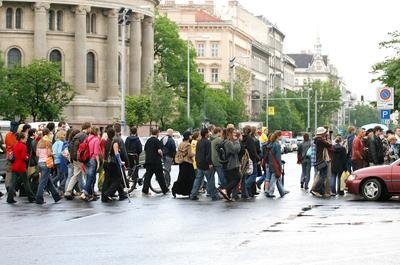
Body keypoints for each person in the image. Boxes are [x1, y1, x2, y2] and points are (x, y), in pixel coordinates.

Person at [190, 128, 220, 201]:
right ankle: (214, 195)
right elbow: (208, 154)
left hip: (199, 163)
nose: (209, 133)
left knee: (198, 180)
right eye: (208, 132)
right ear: (206, 134)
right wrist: (210, 163)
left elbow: (197, 153)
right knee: (210, 180)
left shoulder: (199, 142)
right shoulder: (208, 142)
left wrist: (197, 161)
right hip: (206, 164)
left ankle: (193, 194)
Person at [64, 122, 91, 200]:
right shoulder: (85, 136)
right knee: (87, 175)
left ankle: (68, 192)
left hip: (74, 159)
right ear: (87, 128)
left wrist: (73, 157)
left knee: (75, 175)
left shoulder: (76, 136)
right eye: (90, 128)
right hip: (80, 159)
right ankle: (86, 193)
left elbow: (70, 146)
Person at [102, 127, 128, 202]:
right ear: (114, 133)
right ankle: (108, 193)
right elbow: (117, 154)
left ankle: (121, 195)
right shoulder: (115, 141)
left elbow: (105, 152)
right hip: (113, 163)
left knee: (107, 180)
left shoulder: (106, 141)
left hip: (106, 162)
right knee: (118, 179)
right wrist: (121, 162)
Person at [35, 128, 61, 204]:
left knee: (48, 181)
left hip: (40, 162)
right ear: (48, 134)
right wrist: (53, 153)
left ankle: (56, 197)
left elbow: (37, 154)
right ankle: (39, 198)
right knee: (43, 182)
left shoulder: (39, 141)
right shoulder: (48, 142)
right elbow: (49, 153)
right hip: (46, 163)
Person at [8, 133, 35, 203]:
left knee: (12, 183)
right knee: (26, 182)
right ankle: (31, 197)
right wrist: (27, 156)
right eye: (25, 138)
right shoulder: (23, 146)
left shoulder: (15, 145)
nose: (26, 140)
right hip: (21, 166)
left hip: (14, 165)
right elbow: (23, 157)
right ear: (22, 139)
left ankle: (9, 198)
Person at [142, 128, 169, 195]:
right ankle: (165, 190)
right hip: (156, 161)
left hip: (148, 161)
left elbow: (145, 150)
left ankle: (145, 190)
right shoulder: (157, 141)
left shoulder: (148, 141)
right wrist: (162, 155)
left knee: (148, 176)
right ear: (157, 133)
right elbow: (159, 151)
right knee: (160, 176)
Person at [218, 127, 241, 201]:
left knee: (230, 180)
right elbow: (235, 150)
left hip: (227, 164)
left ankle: (227, 195)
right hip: (231, 164)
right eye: (234, 132)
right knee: (237, 177)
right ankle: (224, 189)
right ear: (229, 133)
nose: (235, 134)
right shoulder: (228, 142)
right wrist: (237, 141)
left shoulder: (226, 141)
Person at [171, 131, 195, 198]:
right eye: (190, 135)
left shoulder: (181, 143)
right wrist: (195, 153)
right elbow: (190, 154)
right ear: (188, 136)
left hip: (181, 163)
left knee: (181, 177)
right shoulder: (188, 145)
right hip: (188, 163)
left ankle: (175, 189)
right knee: (191, 178)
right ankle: (189, 191)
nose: (191, 136)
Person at [311, 127, 332, 198]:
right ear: (321, 133)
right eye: (324, 133)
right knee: (323, 176)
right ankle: (316, 189)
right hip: (322, 160)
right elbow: (329, 145)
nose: (325, 134)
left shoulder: (317, 140)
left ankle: (322, 192)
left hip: (319, 160)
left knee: (322, 175)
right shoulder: (320, 140)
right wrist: (327, 138)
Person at [80, 127, 101, 201]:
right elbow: (96, 152)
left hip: (85, 159)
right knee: (91, 177)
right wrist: (98, 162)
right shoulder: (96, 139)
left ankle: (89, 194)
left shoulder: (87, 138)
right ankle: (84, 192)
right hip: (92, 159)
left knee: (88, 177)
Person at [265, 130, 285, 198]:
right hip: (275, 164)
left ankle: (282, 192)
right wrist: (280, 166)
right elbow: (278, 157)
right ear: (278, 136)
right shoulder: (277, 144)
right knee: (274, 178)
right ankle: (270, 192)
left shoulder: (270, 144)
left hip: (270, 163)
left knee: (277, 178)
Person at [242, 126, 259, 197]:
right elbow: (253, 151)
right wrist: (258, 158)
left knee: (246, 175)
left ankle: (247, 192)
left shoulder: (242, 138)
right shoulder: (250, 139)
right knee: (254, 174)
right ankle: (245, 185)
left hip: (244, 159)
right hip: (251, 159)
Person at [4, 121, 18, 192]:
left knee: (8, 172)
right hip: (14, 156)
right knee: (13, 172)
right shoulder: (16, 135)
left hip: (8, 155)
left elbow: (6, 144)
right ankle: (12, 187)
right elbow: (16, 145)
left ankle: (7, 186)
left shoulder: (7, 134)